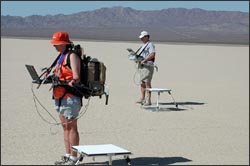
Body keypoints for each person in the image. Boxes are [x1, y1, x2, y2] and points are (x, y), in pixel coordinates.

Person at [49, 31, 82, 165]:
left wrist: (68, 82)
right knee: (65, 128)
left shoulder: (72, 56)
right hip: (59, 96)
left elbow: (76, 76)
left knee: (72, 127)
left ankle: (74, 157)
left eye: (56, 44)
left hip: (70, 97)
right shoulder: (61, 56)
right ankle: (68, 155)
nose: (54, 46)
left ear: (64, 43)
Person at [136, 31, 156, 106]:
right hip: (142, 66)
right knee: (142, 83)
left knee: (147, 83)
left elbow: (152, 55)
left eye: (142, 37)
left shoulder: (150, 45)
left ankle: (148, 100)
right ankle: (142, 98)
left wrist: (144, 60)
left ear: (147, 37)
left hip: (148, 66)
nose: (141, 39)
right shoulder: (143, 45)